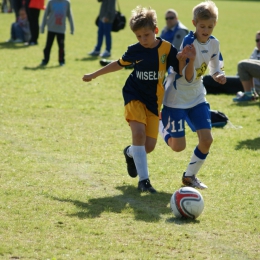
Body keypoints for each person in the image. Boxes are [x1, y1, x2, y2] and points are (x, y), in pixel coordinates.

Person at [83, 6, 182, 193]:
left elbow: (181, 68)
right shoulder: (135, 51)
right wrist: (94, 74)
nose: (143, 40)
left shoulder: (167, 49)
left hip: (154, 101)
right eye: (138, 36)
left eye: (146, 35)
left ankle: (129, 152)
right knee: (138, 134)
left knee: (148, 147)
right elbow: (118, 64)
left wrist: (188, 58)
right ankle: (144, 182)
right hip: (134, 94)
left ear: (156, 30)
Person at [159, 0, 226, 189]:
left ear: (215, 24)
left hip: (197, 97)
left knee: (207, 139)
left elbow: (215, 68)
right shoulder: (189, 42)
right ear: (194, 23)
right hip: (177, 99)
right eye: (202, 26)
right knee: (177, 147)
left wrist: (219, 76)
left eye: (210, 26)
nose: (206, 30)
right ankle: (159, 122)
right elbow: (187, 77)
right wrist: (192, 59)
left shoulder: (214, 43)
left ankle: (189, 177)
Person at [40, 0, 74, 66]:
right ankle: (45, 60)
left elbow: (70, 15)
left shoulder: (67, 3)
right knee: (48, 46)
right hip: (51, 28)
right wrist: (42, 27)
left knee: (61, 46)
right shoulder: (51, 2)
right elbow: (45, 14)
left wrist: (72, 28)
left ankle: (61, 61)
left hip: (61, 29)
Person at [233, 31, 260, 102]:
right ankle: (252, 93)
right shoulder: (256, 51)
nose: (259, 42)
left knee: (242, 65)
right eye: (257, 40)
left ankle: (248, 95)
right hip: (255, 85)